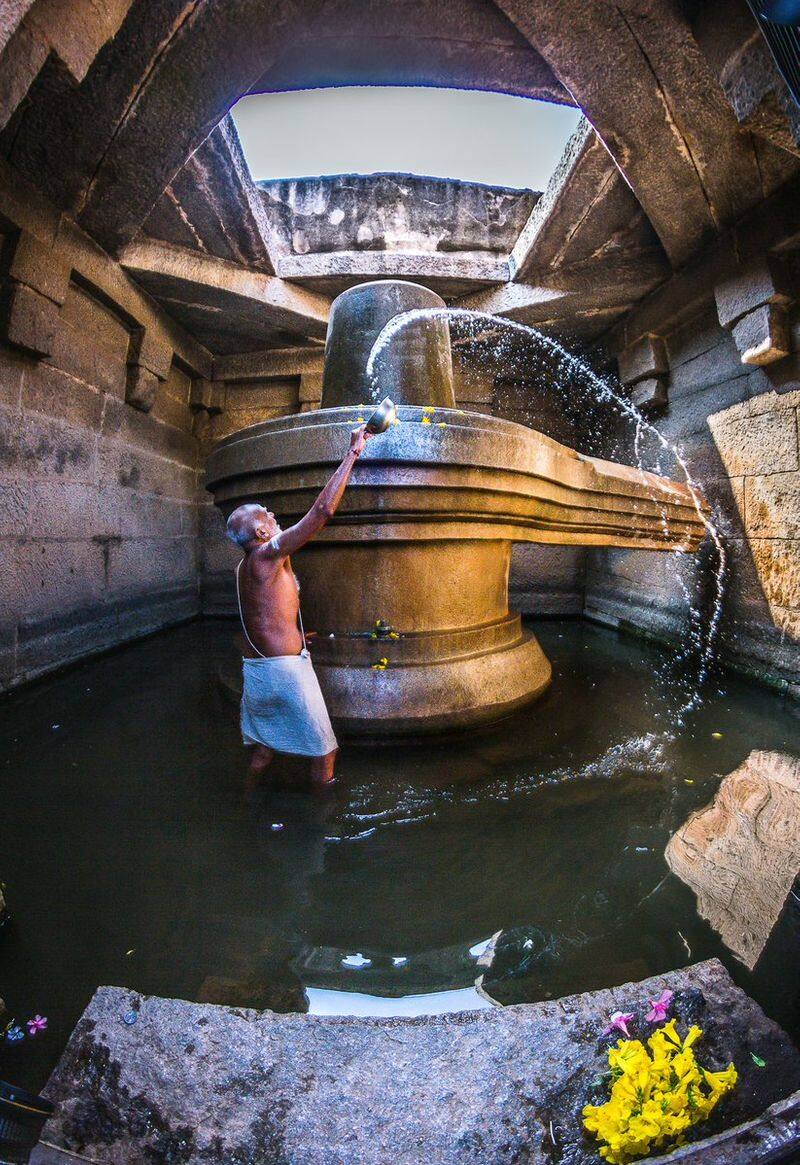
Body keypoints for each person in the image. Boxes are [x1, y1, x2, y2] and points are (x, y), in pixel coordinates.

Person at [225, 424, 371, 790]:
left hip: (261, 670)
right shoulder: (266, 555)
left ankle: (246, 800)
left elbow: (262, 617)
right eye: (265, 514)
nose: (271, 513)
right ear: (261, 533)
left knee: (264, 748)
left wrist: (293, 634)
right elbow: (321, 511)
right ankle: (321, 823)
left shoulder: (245, 566)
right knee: (325, 752)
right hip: (285, 673)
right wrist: (353, 451)